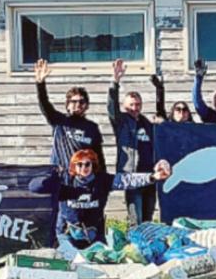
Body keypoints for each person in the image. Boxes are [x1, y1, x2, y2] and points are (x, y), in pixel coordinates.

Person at [29, 149, 172, 255]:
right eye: (79, 165)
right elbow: (34, 187)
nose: (84, 168)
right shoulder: (65, 180)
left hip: (94, 236)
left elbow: (126, 180)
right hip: (66, 235)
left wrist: (152, 177)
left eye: (87, 164)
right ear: (73, 166)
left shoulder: (102, 180)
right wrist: (50, 178)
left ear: (93, 165)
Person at [108, 59, 158, 225]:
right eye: (131, 105)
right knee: (135, 218)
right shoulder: (121, 121)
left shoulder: (147, 123)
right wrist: (115, 82)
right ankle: (133, 247)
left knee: (148, 217)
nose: (135, 108)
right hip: (131, 175)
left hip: (149, 175)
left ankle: (147, 246)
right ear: (125, 106)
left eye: (137, 105)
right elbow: (111, 107)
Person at [34, 58, 105, 170]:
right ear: (67, 105)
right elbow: (44, 104)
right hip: (60, 178)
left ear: (86, 105)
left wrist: (102, 183)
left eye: (81, 102)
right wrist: (40, 83)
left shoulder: (92, 128)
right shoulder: (59, 121)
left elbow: (98, 158)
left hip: (81, 180)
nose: (78, 105)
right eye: (74, 101)